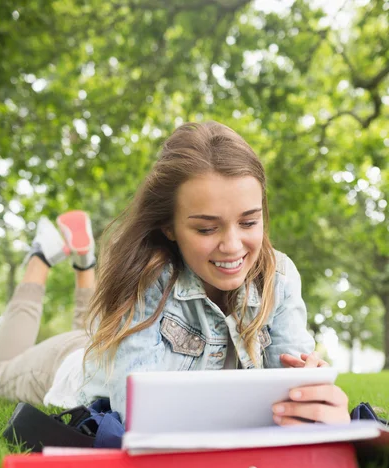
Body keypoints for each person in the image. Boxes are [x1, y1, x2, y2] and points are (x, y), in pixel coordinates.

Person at [78, 120, 350, 427]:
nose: (233, 247)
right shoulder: (146, 276)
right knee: (13, 367)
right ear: (169, 227)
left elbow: (291, 405)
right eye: (207, 228)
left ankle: (83, 266)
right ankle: (71, 264)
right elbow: (137, 413)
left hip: (97, 340)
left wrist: (313, 400)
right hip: (69, 368)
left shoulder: (280, 276)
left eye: (248, 223)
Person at [0, 210, 96, 408]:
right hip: (83, 359)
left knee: (88, 340)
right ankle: (43, 256)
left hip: (87, 353)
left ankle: (82, 262)